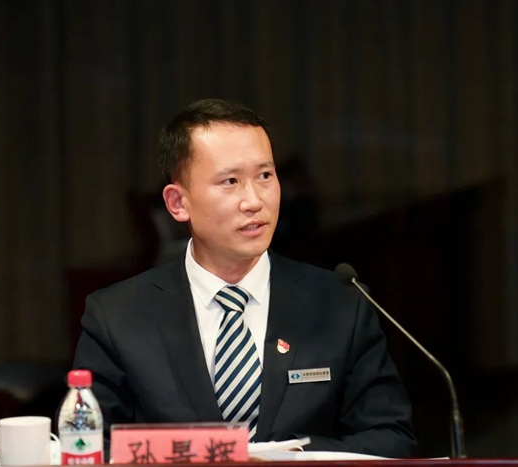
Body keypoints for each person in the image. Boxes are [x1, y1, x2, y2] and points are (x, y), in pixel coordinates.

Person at [72, 99, 416, 457]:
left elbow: (390, 438)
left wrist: (289, 461)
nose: (254, 201)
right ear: (178, 203)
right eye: (230, 181)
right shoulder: (117, 317)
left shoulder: (341, 304)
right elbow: (87, 447)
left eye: (265, 176)